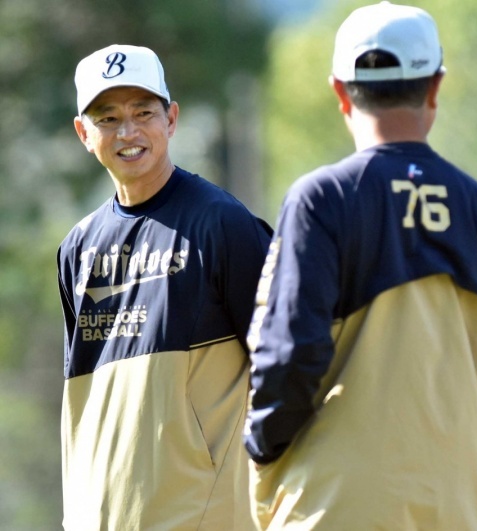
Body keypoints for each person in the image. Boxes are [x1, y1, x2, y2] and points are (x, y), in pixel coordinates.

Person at [242, 2, 477, 530]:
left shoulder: (323, 199)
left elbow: (292, 351)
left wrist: (261, 445)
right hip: (459, 505)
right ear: (435, 87)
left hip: (335, 505)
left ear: (340, 91)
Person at [57, 44, 272, 530]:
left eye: (143, 113)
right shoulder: (77, 248)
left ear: (171, 119)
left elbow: (287, 367)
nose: (128, 132)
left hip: (202, 518)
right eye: (107, 118)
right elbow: (84, 399)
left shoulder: (224, 225)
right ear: (82, 133)